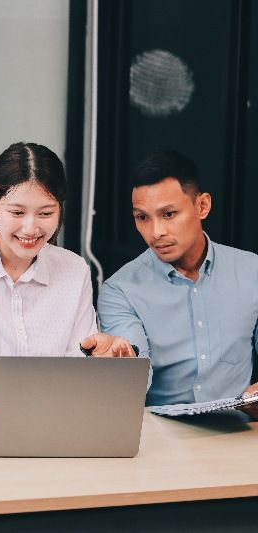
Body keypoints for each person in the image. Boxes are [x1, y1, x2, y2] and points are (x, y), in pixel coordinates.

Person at [0, 142, 135, 424]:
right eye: (18, 213)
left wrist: (99, 363)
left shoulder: (74, 270)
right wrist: (2, 414)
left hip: (56, 423)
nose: (31, 228)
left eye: (46, 213)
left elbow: (76, 361)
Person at [98, 150, 258, 417]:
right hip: (162, 436)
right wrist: (120, 362)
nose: (156, 232)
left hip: (240, 430)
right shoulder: (120, 290)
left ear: (202, 206)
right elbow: (133, 374)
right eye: (142, 217)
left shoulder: (252, 270)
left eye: (169, 214)